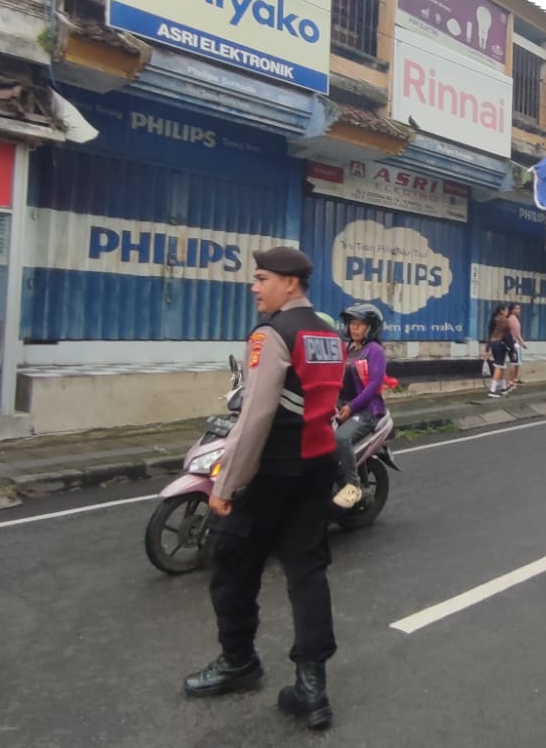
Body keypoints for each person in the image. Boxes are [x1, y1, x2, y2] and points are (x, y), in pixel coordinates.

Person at [185, 246, 344, 731]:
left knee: (229, 558)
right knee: (307, 573)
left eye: (262, 278)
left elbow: (255, 415)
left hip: (272, 471)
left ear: (289, 283)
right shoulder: (328, 333)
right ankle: (312, 688)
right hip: (318, 465)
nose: (254, 287)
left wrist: (226, 484)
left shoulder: (272, 333)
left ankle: (238, 661)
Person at [331, 303, 386, 510]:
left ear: (371, 327)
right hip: (342, 407)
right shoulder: (349, 349)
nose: (354, 328)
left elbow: (373, 385)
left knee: (340, 438)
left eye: (360, 324)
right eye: (351, 323)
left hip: (365, 411)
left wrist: (352, 407)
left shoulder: (375, 351)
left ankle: (352, 486)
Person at [484, 305, 514, 397]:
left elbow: (490, 335)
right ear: (502, 311)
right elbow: (509, 334)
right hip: (501, 344)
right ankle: (492, 390)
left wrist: (487, 350)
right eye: (506, 310)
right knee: (499, 367)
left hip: (494, 344)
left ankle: (503, 388)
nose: (507, 312)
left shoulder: (494, 319)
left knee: (500, 366)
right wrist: (512, 348)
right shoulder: (505, 320)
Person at [505, 302, 528, 389]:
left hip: (514, 343)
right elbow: (517, 334)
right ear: (512, 310)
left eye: (519, 309)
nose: (519, 310)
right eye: (517, 308)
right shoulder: (513, 319)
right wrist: (522, 343)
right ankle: (511, 381)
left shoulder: (512, 318)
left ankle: (514, 379)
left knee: (517, 362)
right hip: (514, 343)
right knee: (514, 362)